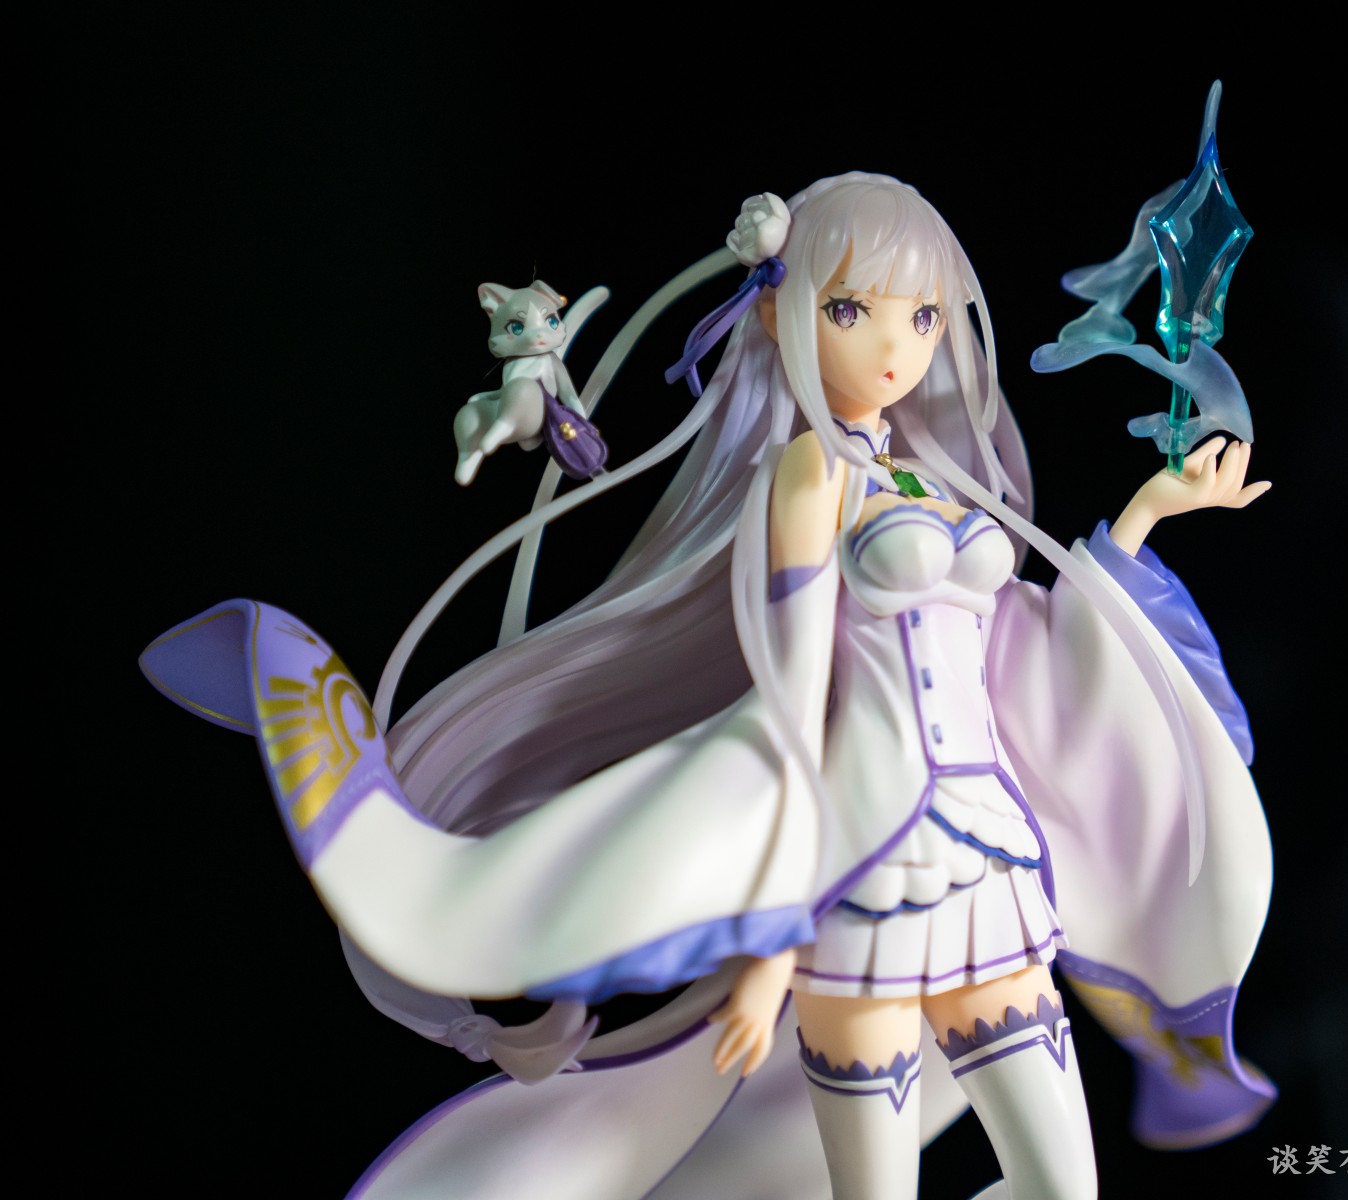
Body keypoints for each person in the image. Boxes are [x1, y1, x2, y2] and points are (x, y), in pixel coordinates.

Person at [142, 172, 1274, 1200]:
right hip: (858, 886)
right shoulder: (810, 474)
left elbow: (1037, 639)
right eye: (854, 310)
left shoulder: (938, 481)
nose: (896, 345)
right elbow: (791, 705)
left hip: (990, 860)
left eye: (923, 316)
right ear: (785, 315)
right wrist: (771, 942)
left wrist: (1146, 513)